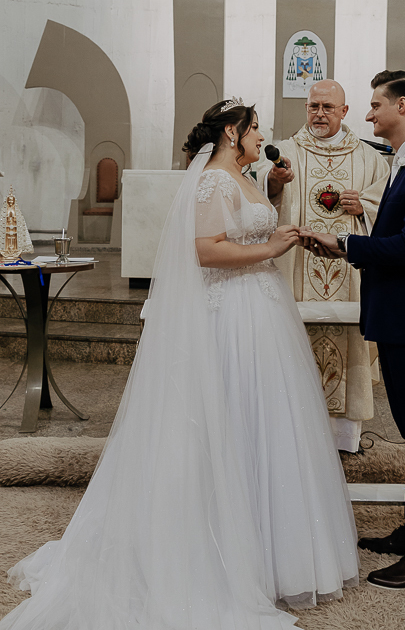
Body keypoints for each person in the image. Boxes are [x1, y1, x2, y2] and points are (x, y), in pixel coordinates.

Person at [1, 99, 358, 630]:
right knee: (228, 423)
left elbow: (246, 224)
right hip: (233, 313)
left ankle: (265, 553)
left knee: (261, 425)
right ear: (234, 133)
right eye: (256, 128)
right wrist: (271, 248)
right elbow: (207, 252)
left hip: (259, 313)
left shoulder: (240, 172)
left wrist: (272, 219)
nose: (263, 135)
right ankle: (223, 553)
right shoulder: (214, 182)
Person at [301, 70, 405, 590]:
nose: (369, 115)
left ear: (403, 106)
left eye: (375, 105)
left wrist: (345, 246)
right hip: (400, 317)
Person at [256, 80, 390, 452]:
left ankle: (343, 439)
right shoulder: (283, 153)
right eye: (313, 106)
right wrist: (274, 183)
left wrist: (364, 206)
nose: (319, 113)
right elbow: (255, 199)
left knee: (347, 342)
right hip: (294, 272)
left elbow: (389, 209)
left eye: (328, 107)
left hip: (350, 274)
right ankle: (290, 434)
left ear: (344, 112)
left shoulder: (369, 158)